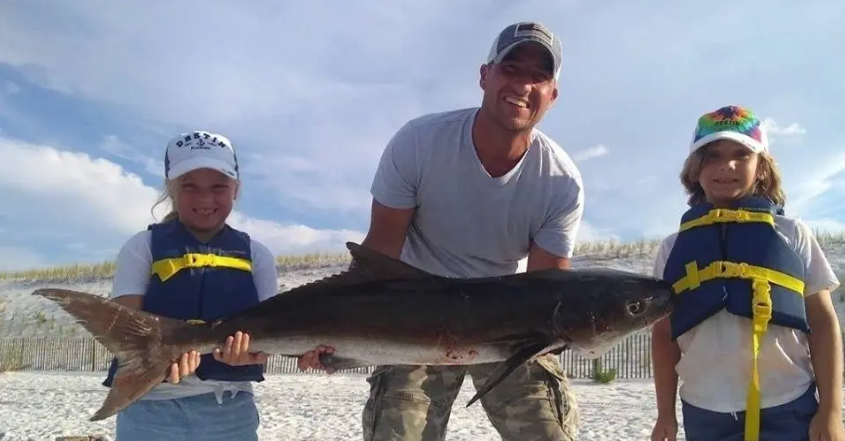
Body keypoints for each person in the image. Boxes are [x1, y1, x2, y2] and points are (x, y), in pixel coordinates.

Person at [301, 20, 585, 441]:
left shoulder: (561, 182)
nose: (523, 85)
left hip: (509, 323)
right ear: (485, 75)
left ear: (553, 95)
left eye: (539, 76)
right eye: (511, 69)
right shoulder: (419, 142)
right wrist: (325, 329)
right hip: (415, 312)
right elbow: (378, 259)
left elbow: (547, 294)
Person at [650, 105, 845, 441]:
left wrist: (830, 411)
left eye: (742, 154)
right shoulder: (672, 248)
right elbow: (663, 335)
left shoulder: (793, 233)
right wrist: (664, 414)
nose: (727, 165)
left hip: (788, 407)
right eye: (711, 156)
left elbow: (824, 323)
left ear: (762, 169)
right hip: (704, 412)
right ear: (695, 169)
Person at [103, 130, 285, 441]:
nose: (205, 200)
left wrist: (251, 354)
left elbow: (271, 338)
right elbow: (121, 333)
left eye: (218, 187)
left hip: (231, 412)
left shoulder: (259, 256)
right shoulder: (142, 247)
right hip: (150, 412)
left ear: (235, 189)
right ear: (171, 189)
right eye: (190, 187)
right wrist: (159, 361)